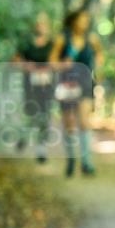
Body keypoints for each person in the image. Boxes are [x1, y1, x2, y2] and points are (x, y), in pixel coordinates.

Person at [49, 9, 103, 177]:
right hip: (66, 84)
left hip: (86, 84)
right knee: (69, 123)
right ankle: (71, 158)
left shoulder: (92, 39)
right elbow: (52, 61)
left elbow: (100, 55)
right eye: (82, 20)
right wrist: (61, 65)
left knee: (85, 122)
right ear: (73, 21)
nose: (84, 23)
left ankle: (86, 162)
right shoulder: (62, 39)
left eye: (87, 20)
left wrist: (98, 68)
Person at [14, 12, 56, 163]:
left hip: (46, 85)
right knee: (31, 113)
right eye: (38, 24)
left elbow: (58, 62)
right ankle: (24, 137)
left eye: (44, 24)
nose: (41, 27)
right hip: (30, 84)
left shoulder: (52, 44)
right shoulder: (27, 43)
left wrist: (49, 68)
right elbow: (16, 60)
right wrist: (27, 66)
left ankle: (41, 150)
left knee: (44, 115)